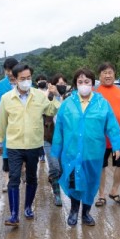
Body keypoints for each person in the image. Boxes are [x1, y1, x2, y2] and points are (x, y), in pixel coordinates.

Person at [51, 68, 120, 226]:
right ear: (75, 84)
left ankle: (86, 213)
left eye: (87, 82)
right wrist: (56, 151)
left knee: (91, 183)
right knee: (74, 182)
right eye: (80, 82)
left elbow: (112, 126)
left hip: (93, 152)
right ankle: (73, 211)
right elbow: (59, 128)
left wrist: (117, 146)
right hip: (72, 153)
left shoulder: (102, 103)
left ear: (93, 84)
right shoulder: (67, 104)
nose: (84, 85)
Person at [0, 64, 60, 226]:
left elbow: (51, 111)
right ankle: (14, 215)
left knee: (32, 177)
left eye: (28, 78)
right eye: (22, 78)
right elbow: (1, 121)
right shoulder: (7, 98)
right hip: (14, 144)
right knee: (14, 178)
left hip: (33, 144)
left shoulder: (39, 96)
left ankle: (28, 207)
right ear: (15, 79)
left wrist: (57, 96)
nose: (26, 81)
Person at [95, 62, 120, 207]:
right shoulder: (94, 90)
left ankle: (114, 190)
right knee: (100, 166)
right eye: (104, 72)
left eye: (110, 72)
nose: (108, 75)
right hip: (100, 138)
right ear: (99, 75)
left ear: (114, 74)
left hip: (118, 137)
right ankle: (101, 196)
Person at [0, 57, 19, 192]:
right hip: (6, 125)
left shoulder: (25, 84)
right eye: (6, 70)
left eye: (11, 70)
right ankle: (7, 181)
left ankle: (20, 173)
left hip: (21, 126)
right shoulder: (1, 85)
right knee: (6, 154)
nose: (9, 73)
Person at [42, 73, 68, 206]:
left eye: (63, 84)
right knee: (54, 166)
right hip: (49, 138)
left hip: (65, 140)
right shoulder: (49, 97)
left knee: (62, 169)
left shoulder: (69, 98)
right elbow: (42, 109)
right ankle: (57, 194)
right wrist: (50, 94)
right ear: (52, 85)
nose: (61, 86)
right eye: (58, 84)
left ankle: (53, 179)